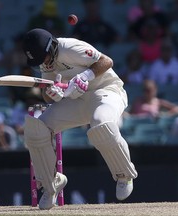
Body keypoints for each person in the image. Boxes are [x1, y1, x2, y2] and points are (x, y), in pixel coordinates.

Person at [22, 28, 138, 210]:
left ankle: (124, 174)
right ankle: (51, 184)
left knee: (102, 125)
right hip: (76, 101)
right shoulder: (44, 60)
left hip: (106, 91)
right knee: (37, 128)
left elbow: (106, 61)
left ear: (50, 47)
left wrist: (84, 76)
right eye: (38, 61)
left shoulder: (70, 48)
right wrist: (54, 94)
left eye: (43, 57)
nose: (43, 63)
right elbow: (47, 95)